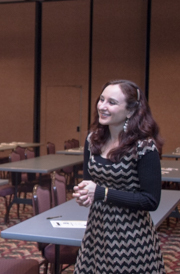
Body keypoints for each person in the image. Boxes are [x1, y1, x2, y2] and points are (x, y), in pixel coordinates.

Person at [72, 80, 165, 273]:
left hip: (131, 238)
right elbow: (91, 184)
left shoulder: (144, 147)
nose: (102, 106)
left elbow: (151, 200)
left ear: (130, 111)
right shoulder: (93, 139)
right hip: (97, 233)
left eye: (112, 102)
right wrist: (85, 195)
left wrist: (102, 193)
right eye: (101, 100)